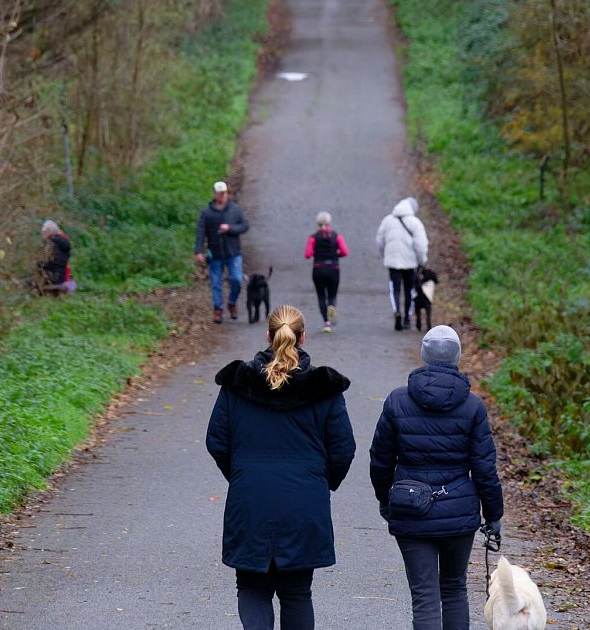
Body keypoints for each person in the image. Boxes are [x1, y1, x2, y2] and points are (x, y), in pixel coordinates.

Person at [206, 305, 356, 630]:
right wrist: (321, 481)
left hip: (250, 499)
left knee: (251, 588)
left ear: (268, 336)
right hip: (305, 501)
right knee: (297, 593)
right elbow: (343, 448)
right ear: (303, 337)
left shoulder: (238, 384)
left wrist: (241, 474)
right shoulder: (323, 389)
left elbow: (216, 440)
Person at [369, 325, 504, 630]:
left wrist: (384, 498)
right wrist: (493, 514)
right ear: (458, 356)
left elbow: (380, 459)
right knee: (455, 588)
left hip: (410, 509)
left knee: (424, 596)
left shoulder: (397, 400)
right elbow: (484, 468)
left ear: (424, 356)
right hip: (458, 510)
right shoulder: (472, 405)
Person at [195, 181, 250, 324]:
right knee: (216, 283)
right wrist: (199, 250)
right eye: (220, 193)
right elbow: (201, 232)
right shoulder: (206, 213)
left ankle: (232, 302)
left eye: (224, 193)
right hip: (215, 253)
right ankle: (217, 309)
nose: (223, 196)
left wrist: (230, 228)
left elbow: (244, 226)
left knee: (237, 279)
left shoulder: (235, 210)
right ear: (215, 194)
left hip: (233, 252)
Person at [375, 197, 428, 330]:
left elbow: (380, 240)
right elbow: (421, 245)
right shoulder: (415, 223)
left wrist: (385, 255)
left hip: (392, 261)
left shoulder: (387, 220)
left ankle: (397, 311)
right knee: (409, 290)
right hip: (410, 263)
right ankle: (407, 318)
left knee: (395, 289)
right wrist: (422, 261)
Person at [304, 211, 349, 333]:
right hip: (333, 268)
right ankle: (332, 306)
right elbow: (345, 252)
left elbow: (307, 255)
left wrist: (315, 253)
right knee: (332, 294)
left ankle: (326, 323)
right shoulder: (337, 236)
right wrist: (336, 254)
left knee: (321, 296)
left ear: (317, 223)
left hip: (318, 269)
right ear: (329, 222)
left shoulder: (313, 238)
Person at [37, 219, 72, 296]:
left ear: (49, 231)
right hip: (59, 273)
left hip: (57, 274)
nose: (42, 234)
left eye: (44, 232)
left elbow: (55, 261)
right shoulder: (58, 240)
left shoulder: (56, 240)